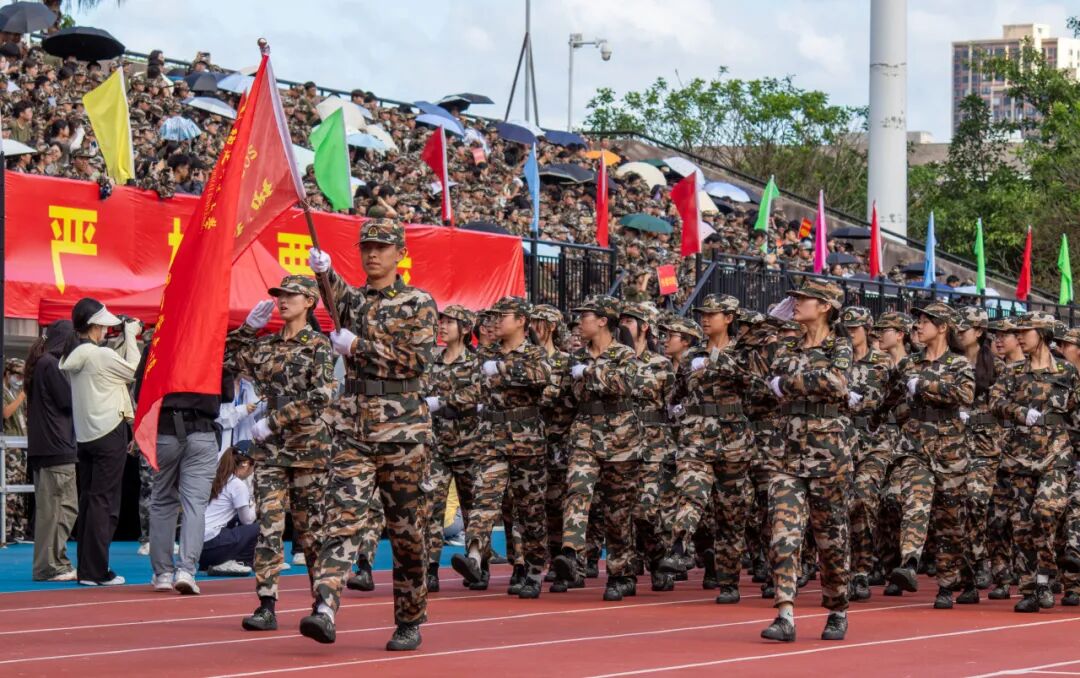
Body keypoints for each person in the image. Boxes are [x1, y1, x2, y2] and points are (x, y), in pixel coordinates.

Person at [302, 218, 438, 651]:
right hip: (355, 429)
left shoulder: (418, 302)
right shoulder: (355, 301)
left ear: (400, 253)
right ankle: (325, 605)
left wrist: (358, 347)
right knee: (341, 518)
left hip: (403, 432)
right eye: (366, 247)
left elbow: (416, 360)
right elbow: (335, 295)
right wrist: (323, 271)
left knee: (407, 533)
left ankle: (409, 619)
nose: (373, 253)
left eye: (381, 247)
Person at [224, 275, 334, 629]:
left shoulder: (318, 345)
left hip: (308, 448)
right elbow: (225, 359)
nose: (282, 301)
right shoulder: (266, 345)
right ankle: (267, 603)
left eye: (291, 295)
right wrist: (246, 330)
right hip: (271, 450)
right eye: (280, 295)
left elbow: (322, 395)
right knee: (269, 526)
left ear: (309, 301)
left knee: (310, 531)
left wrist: (275, 420)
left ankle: (322, 604)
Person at [760, 280, 852, 643]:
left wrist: (788, 383)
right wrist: (771, 320)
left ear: (825, 306)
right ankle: (785, 614)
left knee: (831, 540)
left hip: (828, 456)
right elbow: (760, 363)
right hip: (786, 453)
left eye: (803, 299)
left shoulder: (839, 345)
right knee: (782, 534)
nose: (795, 303)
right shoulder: (787, 344)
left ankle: (837, 607)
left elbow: (835, 381)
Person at [450, 296, 551, 599]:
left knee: (529, 510)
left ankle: (533, 569)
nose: (495, 322)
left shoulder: (534, 353)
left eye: (502, 316)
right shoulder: (485, 353)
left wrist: (503, 368)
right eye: (493, 317)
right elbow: (472, 386)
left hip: (527, 441)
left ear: (521, 321)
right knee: (484, 497)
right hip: (491, 438)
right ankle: (474, 555)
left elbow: (541, 376)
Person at [659, 294, 756, 604]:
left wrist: (715, 360)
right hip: (696, 437)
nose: (704, 318)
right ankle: (679, 547)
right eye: (702, 313)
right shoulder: (691, 356)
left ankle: (728, 580)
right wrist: (675, 408)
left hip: (733, 440)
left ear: (729, 318)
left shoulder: (744, 353)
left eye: (712, 314)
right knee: (690, 490)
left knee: (731, 514)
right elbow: (677, 392)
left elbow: (754, 383)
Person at [880, 302, 976, 609]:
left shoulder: (959, 364)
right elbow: (889, 396)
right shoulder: (909, 363)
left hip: (950, 450)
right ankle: (909, 561)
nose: (918, 326)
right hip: (916, 446)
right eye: (918, 321)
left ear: (943, 327)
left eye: (925, 321)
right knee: (914, 502)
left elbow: (965, 394)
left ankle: (947, 584)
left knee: (950, 521)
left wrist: (923, 385)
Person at [551, 295, 644, 601]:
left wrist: (590, 373)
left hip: (621, 439)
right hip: (584, 434)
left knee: (618, 511)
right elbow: (567, 400)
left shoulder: (625, 354)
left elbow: (625, 384)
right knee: (577, 490)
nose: (579, 322)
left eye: (585, 316)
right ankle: (571, 553)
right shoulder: (576, 357)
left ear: (603, 321)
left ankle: (621, 574)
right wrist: (556, 437)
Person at [991, 311, 1079, 612]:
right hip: (1020, 458)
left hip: (1056, 455)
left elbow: (1076, 412)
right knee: (1022, 527)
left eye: (1024, 332)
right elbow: (995, 402)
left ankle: (1047, 571)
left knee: (1045, 511)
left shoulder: (1066, 371)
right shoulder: (1013, 371)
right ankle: (1032, 587)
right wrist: (1019, 412)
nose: (1018, 337)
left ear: (1041, 334)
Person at [59, 298, 142, 587]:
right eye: (104, 325)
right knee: (104, 503)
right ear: (95, 325)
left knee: (91, 501)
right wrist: (130, 335)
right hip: (109, 431)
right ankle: (96, 571)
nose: (107, 329)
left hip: (86, 435)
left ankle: (88, 568)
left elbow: (112, 365)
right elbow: (132, 370)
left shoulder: (77, 353)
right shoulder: (99, 355)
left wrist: (124, 337)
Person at [423, 304, 481, 593]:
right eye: (441, 321)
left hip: (469, 444)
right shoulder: (432, 361)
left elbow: (477, 393)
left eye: (449, 322)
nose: (442, 326)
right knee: (431, 507)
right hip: (437, 446)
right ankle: (430, 569)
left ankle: (477, 565)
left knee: (473, 509)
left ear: (466, 328)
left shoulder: (476, 363)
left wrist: (444, 402)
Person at [619, 302, 676, 592]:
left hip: (653, 446)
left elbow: (673, 406)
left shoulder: (661, 364)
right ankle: (625, 574)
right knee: (621, 512)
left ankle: (658, 559)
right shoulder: (613, 360)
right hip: (618, 443)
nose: (623, 326)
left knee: (647, 511)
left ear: (644, 327)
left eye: (629, 321)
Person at [842, 307, 892, 602]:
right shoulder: (836, 361)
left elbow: (895, 399)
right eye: (846, 328)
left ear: (867, 330)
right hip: (841, 441)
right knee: (840, 506)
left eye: (855, 328)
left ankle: (861, 570)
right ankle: (843, 569)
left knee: (863, 498)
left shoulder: (883, 363)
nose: (850, 333)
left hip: (874, 442)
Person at [25, 320, 78, 581]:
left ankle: (53, 563)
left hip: (47, 448)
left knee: (55, 510)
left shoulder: (41, 364)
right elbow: (68, 400)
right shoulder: (51, 365)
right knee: (60, 509)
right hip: (57, 448)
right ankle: (51, 566)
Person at [200, 448, 258, 576]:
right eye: (254, 465)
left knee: (234, 519)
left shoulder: (218, 478)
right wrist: (258, 504)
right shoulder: (237, 484)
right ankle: (242, 562)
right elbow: (247, 520)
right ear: (246, 464)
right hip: (212, 544)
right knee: (258, 527)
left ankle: (212, 563)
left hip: (197, 548)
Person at [3, 357, 28, 543]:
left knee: (21, 491)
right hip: (9, 448)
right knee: (9, 490)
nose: (20, 380)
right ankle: (6, 530)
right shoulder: (6, 394)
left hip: (21, 445)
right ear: (7, 374)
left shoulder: (16, 393)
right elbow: (6, 413)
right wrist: (21, 397)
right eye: (18, 375)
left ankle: (18, 530)